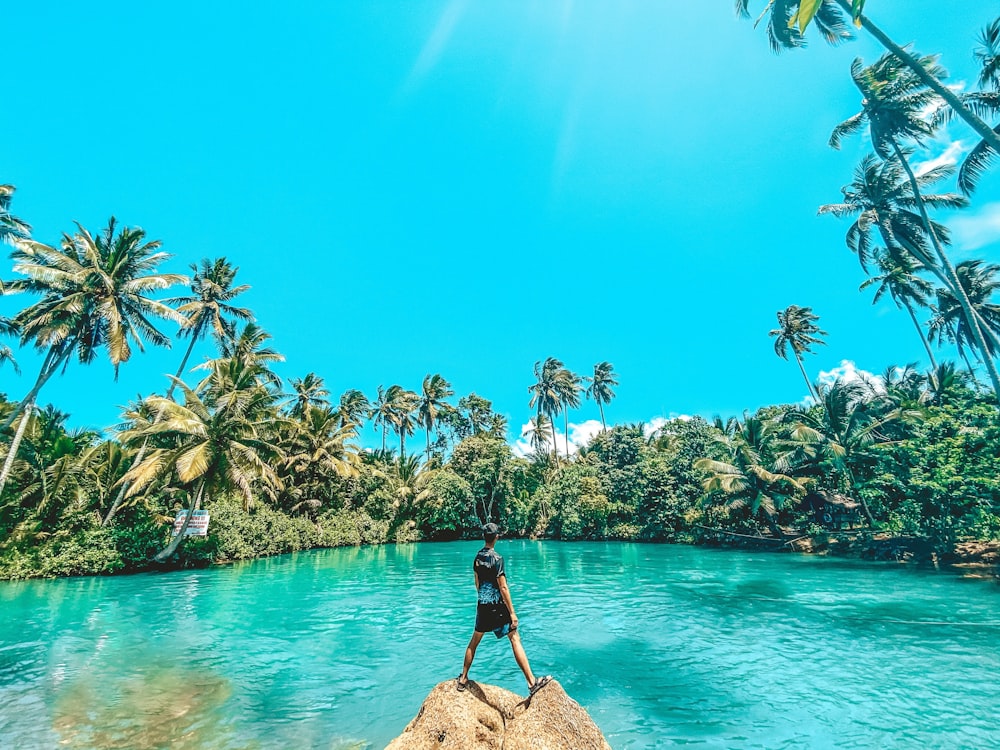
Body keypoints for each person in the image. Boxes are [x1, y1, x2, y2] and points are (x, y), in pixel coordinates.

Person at [457, 522, 551, 696]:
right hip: (498, 607)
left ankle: (463, 678)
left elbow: (477, 583)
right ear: (497, 537)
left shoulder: (477, 558)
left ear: (484, 537)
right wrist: (513, 613)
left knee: (474, 641)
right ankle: (532, 683)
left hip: (483, 606)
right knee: (515, 638)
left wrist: (483, 598)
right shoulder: (497, 559)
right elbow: (503, 587)